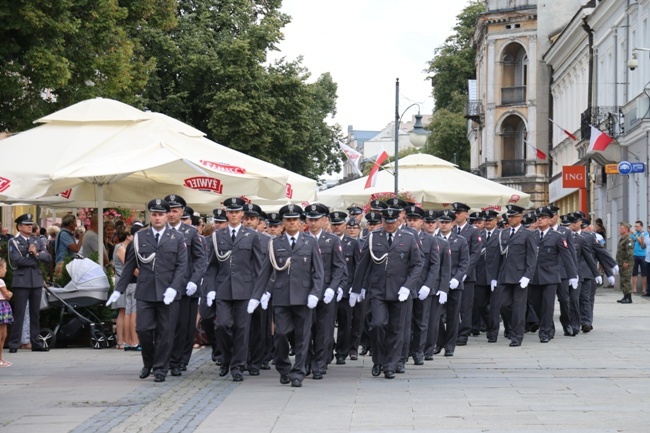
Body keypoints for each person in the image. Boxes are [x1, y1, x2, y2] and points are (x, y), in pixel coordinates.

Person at [107, 199, 188, 383]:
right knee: (143, 329)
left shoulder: (177, 237)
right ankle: (148, 362)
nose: (157, 218)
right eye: (154, 214)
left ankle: (160, 368)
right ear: (150, 215)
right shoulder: (140, 237)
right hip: (146, 290)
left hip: (168, 292)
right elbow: (130, 265)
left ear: (167, 215)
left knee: (165, 332)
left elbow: (181, 266)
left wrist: (173, 289)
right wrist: (118, 290)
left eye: (161, 214)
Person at [249, 204, 324, 388]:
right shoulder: (275, 243)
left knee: (303, 336)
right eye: (288, 220)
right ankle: (283, 367)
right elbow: (265, 272)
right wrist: (256, 296)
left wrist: (315, 293)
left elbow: (319, 272)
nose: (291, 223)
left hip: (304, 296)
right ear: (283, 223)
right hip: (281, 296)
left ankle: (298, 372)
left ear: (301, 223)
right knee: (281, 334)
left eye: (295, 220)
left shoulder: (310, 242)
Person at [350, 207, 423, 379]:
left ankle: (390, 364)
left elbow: (417, 265)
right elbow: (363, 264)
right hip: (378, 290)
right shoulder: (373, 237)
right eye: (386, 222)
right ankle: (378, 359)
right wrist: (356, 289)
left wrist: (408, 286)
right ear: (382, 222)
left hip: (400, 291)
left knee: (396, 329)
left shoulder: (409, 237)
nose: (389, 225)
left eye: (392, 222)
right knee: (377, 324)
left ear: (398, 221)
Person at [204, 197, 262, 382]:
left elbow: (258, 266)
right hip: (222, 288)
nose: (234, 215)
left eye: (237, 212)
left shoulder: (252, 235)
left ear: (242, 214)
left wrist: (259, 292)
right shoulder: (217, 236)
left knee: (242, 329)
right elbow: (212, 265)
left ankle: (238, 366)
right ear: (227, 214)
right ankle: (226, 358)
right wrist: (211, 288)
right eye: (231, 212)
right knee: (222, 325)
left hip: (245, 289)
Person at [164, 196, 206, 377]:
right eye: (169, 211)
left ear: (182, 212)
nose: (171, 214)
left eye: (175, 211)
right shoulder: (158, 231)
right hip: (165, 286)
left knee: (184, 326)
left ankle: (181, 359)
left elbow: (200, 259)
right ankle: (166, 359)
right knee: (166, 325)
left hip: (186, 287)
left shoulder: (190, 232)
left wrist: (194, 281)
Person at [304, 203, 346, 380]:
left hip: (325, 291)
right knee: (306, 329)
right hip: (305, 291)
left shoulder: (332, 240)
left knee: (324, 330)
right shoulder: (302, 238)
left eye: (316, 219)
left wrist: (333, 288)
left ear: (323, 220)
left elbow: (339, 268)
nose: (313, 223)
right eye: (310, 219)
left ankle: (319, 363)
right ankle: (305, 361)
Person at [493, 205, 538, 347]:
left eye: (513, 217)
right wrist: (494, 276)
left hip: (520, 276)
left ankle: (517, 336)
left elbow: (532, 257)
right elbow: (498, 257)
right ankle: (512, 328)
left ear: (520, 218)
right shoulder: (503, 233)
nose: (510, 219)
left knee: (519, 307)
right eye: (509, 217)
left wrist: (527, 275)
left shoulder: (527, 234)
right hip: (505, 274)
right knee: (504, 304)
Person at [7, 213, 52, 353]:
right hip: (21, 281)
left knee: (35, 314)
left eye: (31, 224)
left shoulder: (37, 241)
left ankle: (36, 343)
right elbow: (17, 260)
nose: (30, 226)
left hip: (36, 280)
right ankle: (14, 343)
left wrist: (36, 254)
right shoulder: (14, 241)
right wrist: (35, 259)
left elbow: (48, 257)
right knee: (19, 313)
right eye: (27, 224)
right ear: (20, 227)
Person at [451, 202, 482, 347]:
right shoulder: (452, 230)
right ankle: (453, 332)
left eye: (459, 212)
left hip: (466, 276)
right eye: (455, 212)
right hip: (451, 274)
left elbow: (475, 254)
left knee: (465, 306)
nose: (456, 215)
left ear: (466, 214)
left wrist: (465, 272)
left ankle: (464, 334)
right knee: (452, 306)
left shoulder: (473, 231)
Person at [111, 229, 133, 349]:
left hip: (124, 281)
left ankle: (125, 339)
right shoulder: (120, 248)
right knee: (123, 310)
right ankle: (120, 340)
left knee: (125, 310)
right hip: (122, 281)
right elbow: (129, 264)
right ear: (128, 236)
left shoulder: (123, 247)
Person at [0, 258, 14, 366]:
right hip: (2, 306)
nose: (6, 271)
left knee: (3, 335)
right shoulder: (1, 281)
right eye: (5, 268)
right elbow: (7, 294)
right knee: (2, 335)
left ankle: (1, 358)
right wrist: (10, 293)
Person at [616, 222, 634, 304]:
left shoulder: (628, 239)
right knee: (623, 280)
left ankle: (628, 297)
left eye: (621, 228)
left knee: (626, 280)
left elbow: (629, 251)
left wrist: (626, 261)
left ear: (626, 229)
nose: (620, 229)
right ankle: (625, 296)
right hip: (621, 262)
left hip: (626, 263)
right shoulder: (622, 238)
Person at [631, 220, 647, 294]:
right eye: (635, 226)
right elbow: (631, 240)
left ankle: (644, 289)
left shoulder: (645, 233)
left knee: (644, 273)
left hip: (643, 255)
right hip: (635, 254)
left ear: (641, 226)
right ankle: (634, 289)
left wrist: (634, 234)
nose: (636, 228)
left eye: (637, 226)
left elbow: (641, 242)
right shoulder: (635, 234)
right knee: (634, 273)